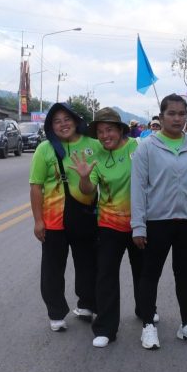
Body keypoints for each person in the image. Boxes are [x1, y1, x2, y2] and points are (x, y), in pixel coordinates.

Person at [130, 94, 187, 350]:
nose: (177, 118)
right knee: (150, 274)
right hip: (157, 222)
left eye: (181, 114)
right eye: (171, 113)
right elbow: (138, 189)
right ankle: (148, 326)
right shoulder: (147, 148)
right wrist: (138, 225)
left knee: (184, 274)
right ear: (161, 116)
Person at [29, 102, 103, 332]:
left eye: (67, 119)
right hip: (54, 221)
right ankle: (56, 313)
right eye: (57, 121)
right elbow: (36, 186)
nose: (63, 124)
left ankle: (87, 304)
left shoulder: (93, 144)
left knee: (87, 264)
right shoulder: (45, 149)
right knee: (52, 269)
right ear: (51, 127)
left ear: (76, 120)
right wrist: (38, 221)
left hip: (85, 216)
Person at [73, 108, 143, 348]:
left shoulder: (138, 148)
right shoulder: (97, 156)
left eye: (109, 130)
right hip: (109, 223)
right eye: (100, 131)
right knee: (106, 275)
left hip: (138, 222)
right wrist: (84, 177)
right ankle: (105, 328)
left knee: (142, 271)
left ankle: (146, 310)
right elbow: (88, 191)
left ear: (121, 130)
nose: (104, 136)